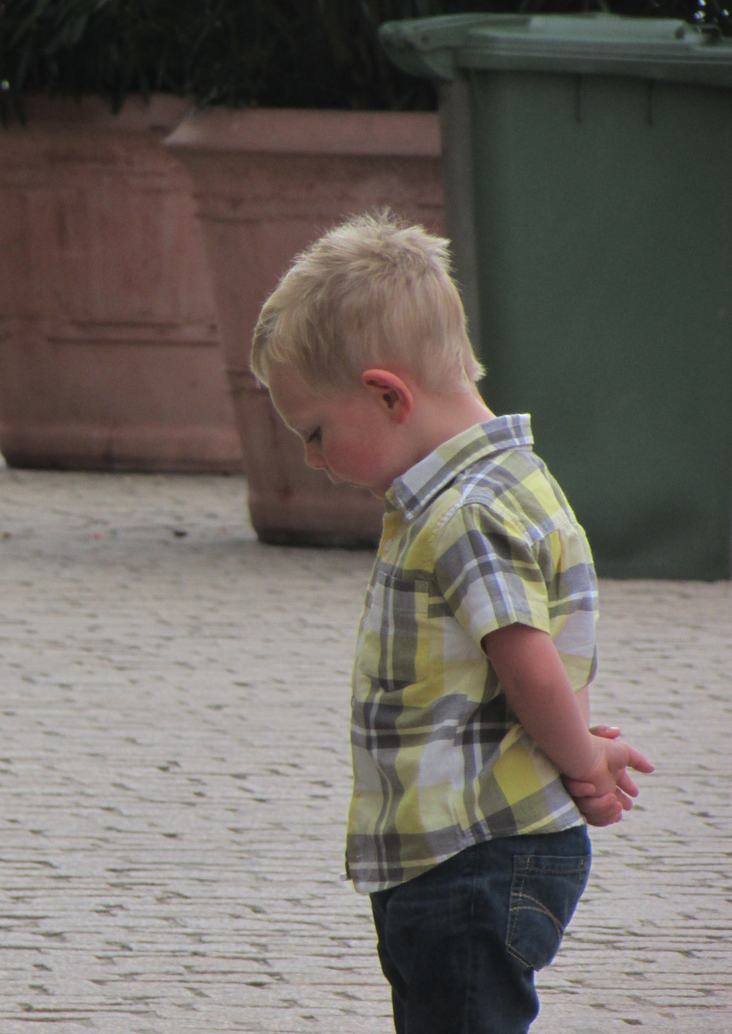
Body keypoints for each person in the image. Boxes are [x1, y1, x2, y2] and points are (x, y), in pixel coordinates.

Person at [249, 213, 654, 1034]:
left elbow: (529, 663)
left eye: (318, 434)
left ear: (387, 394)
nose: (313, 461)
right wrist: (579, 741)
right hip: (457, 853)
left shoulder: (465, 512)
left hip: (473, 855)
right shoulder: (504, 483)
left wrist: (584, 766)